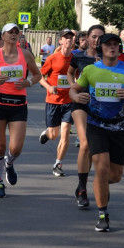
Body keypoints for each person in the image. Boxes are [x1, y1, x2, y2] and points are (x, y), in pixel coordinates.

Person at [70, 33, 124, 232]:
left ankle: (98, 184)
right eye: (108, 44)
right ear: (101, 48)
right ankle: (103, 214)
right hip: (96, 125)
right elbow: (73, 89)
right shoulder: (91, 70)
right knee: (101, 167)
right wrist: (77, 96)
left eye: (115, 45)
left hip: (118, 127)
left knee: (115, 176)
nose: (112, 48)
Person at [0, 23, 41, 198]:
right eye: (9, 32)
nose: (13, 35)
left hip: (19, 105)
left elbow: (37, 75)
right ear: (3, 36)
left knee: (16, 148)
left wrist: (28, 82)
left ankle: (9, 164)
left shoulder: (26, 55)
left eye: (16, 32)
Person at [67, 24, 105, 209]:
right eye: (94, 36)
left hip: (101, 106)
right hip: (81, 102)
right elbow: (69, 72)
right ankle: (82, 189)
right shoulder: (79, 56)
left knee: (97, 151)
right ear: (88, 38)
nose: (97, 40)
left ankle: (86, 182)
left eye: (100, 37)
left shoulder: (109, 58)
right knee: (85, 144)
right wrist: (74, 87)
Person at [39, 29, 76, 176]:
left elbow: (79, 76)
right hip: (53, 100)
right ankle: (47, 134)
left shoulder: (75, 58)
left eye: (71, 38)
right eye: (65, 38)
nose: (68, 40)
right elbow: (40, 76)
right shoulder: (52, 58)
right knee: (54, 135)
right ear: (60, 41)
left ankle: (58, 164)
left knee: (65, 133)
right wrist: (48, 86)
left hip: (69, 101)